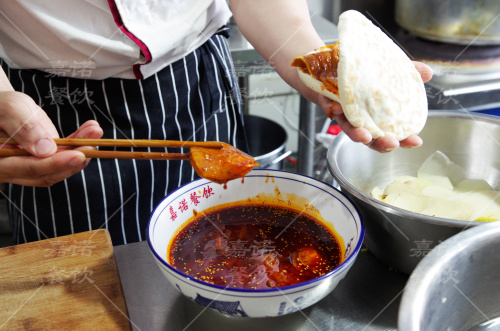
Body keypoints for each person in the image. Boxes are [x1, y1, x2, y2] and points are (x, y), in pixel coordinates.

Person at [0, 0, 432, 245]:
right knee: (81, 284)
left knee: (224, 242)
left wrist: (324, 74)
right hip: (51, 103)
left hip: (194, 77)